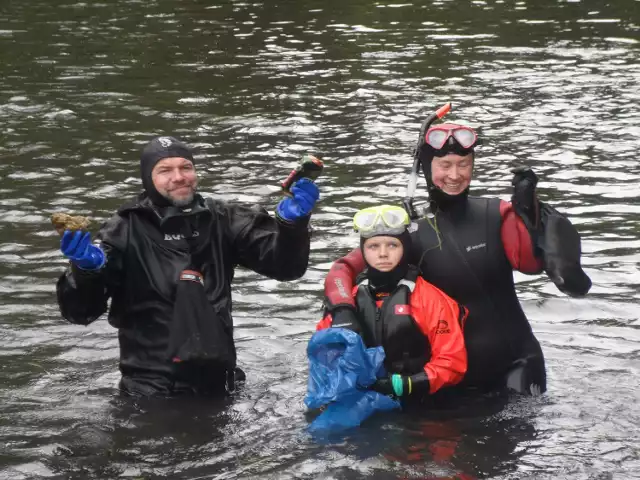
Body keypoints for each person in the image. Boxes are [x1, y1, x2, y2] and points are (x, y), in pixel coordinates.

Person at [323, 122, 591, 396]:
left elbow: (531, 265)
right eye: (445, 165)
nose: (455, 175)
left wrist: (529, 212)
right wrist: (343, 310)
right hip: (444, 375)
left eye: (463, 164)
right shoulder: (406, 230)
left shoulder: (496, 213)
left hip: (515, 364)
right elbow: (342, 270)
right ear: (428, 168)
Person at [56, 136, 320, 397]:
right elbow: (80, 313)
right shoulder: (124, 229)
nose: (179, 177)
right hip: (149, 391)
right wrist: (86, 271)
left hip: (221, 384)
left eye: (186, 167)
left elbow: (286, 268)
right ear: (148, 179)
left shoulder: (223, 218)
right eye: (165, 170)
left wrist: (292, 227)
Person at [316, 204, 468, 401]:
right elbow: (322, 357)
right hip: (362, 400)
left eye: (392, 245)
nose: (383, 254)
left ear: (404, 248)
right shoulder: (347, 301)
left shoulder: (431, 299)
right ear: (363, 251)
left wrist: (407, 385)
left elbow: (452, 362)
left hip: (419, 402)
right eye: (373, 246)